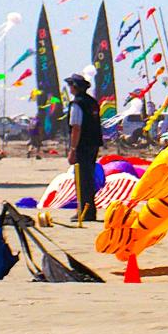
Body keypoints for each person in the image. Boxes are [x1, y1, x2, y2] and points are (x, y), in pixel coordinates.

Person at [65, 73, 103, 223]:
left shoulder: (77, 104)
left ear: (75, 87)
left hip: (83, 145)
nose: (70, 89)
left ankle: (84, 211)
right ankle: (89, 210)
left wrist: (73, 149)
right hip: (94, 143)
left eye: (71, 86)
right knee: (88, 177)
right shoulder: (93, 102)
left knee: (82, 179)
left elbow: (76, 127)